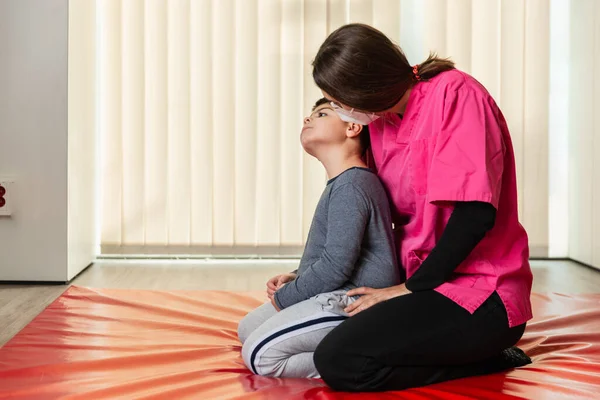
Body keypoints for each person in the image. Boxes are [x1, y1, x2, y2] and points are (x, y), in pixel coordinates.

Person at [310, 23, 534, 392]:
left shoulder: (456, 93)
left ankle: (488, 361)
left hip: (480, 292)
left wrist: (410, 288)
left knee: (340, 360)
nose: (338, 111)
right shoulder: (381, 121)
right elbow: (357, 207)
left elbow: (475, 214)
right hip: (420, 283)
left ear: (364, 90)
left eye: (337, 101)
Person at [237, 98, 400, 378]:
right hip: (334, 289)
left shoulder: (353, 184)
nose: (307, 119)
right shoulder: (343, 183)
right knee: (248, 329)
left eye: (321, 114)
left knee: (259, 356)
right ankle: (343, 346)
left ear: (352, 127)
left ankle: (360, 358)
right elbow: (335, 251)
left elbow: (336, 265)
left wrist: (286, 298)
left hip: (351, 299)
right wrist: (296, 275)